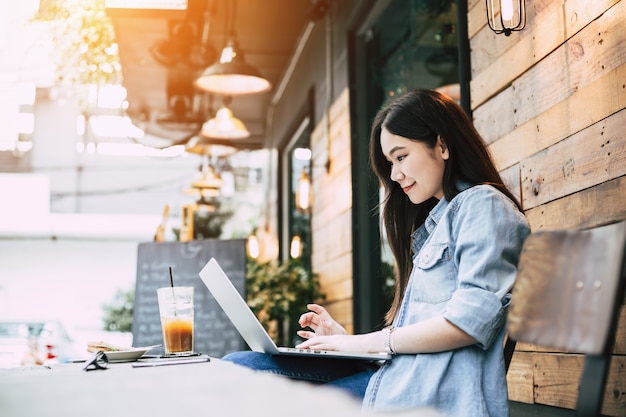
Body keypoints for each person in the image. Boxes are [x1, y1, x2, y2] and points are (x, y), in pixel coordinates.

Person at [222, 88, 530, 417]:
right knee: (237, 364)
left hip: (424, 394)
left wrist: (365, 342)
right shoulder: (436, 222)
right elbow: (415, 338)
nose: (395, 175)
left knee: (266, 396)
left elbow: (470, 323)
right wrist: (346, 342)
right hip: (395, 377)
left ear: (441, 145)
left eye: (401, 156)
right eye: (390, 162)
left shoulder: (482, 205)